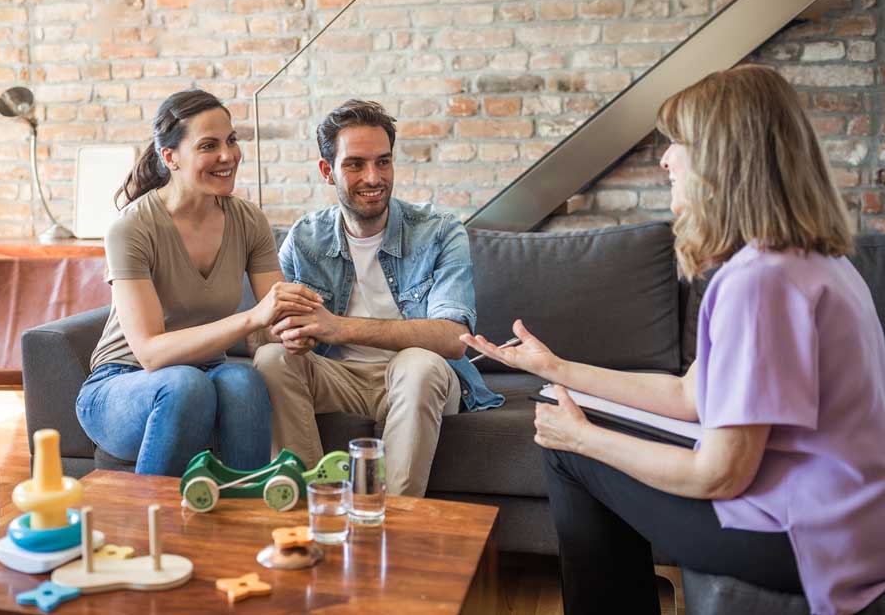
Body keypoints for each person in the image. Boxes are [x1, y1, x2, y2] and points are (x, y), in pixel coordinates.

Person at [462, 65, 885, 615]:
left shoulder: (762, 281)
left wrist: (584, 439)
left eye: (677, 143)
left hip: (809, 540)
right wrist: (556, 369)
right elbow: (688, 397)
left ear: (722, 156)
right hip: (841, 517)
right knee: (559, 413)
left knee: (566, 449)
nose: (665, 159)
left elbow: (721, 472)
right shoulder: (807, 259)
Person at [253, 99, 503, 497]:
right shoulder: (304, 239)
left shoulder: (439, 231)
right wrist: (285, 334)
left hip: (417, 379)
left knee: (418, 363)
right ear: (327, 170)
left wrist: (338, 328)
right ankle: (308, 510)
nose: (374, 177)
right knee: (271, 358)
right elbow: (263, 330)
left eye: (383, 162)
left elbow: (455, 339)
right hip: (340, 379)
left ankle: (391, 524)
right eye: (355, 164)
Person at [77, 89, 323, 476]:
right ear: (170, 157)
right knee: (184, 386)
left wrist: (295, 330)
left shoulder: (248, 221)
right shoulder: (132, 228)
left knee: (243, 380)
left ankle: (243, 519)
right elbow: (151, 354)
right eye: (209, 145)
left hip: (206, 374)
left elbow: (271, 323)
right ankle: (153, 526)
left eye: (231, 140)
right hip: (122, 385)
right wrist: (253, 318)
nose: (228, 156)